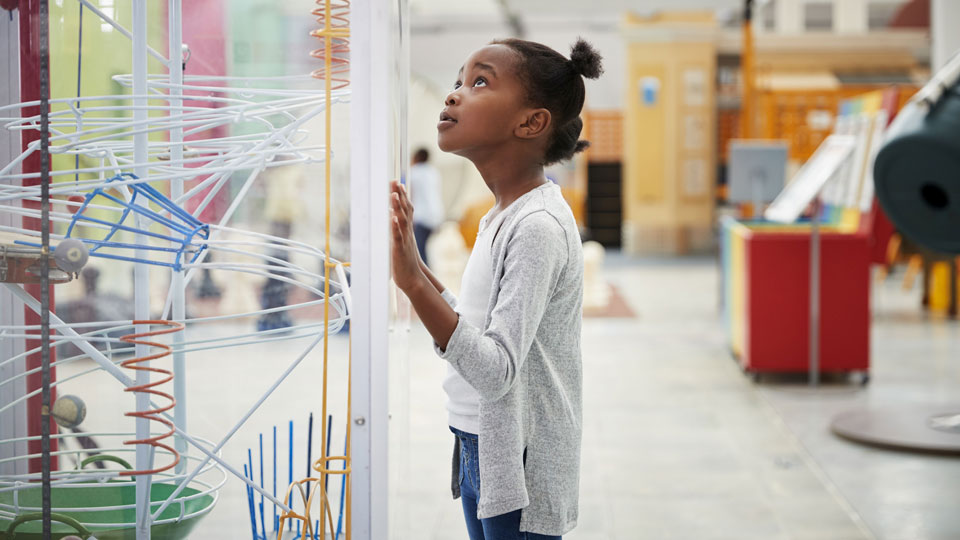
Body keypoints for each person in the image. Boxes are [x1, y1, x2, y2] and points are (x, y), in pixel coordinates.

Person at [390, 37, 602, 539]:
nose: (454, 95)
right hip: (479, 442)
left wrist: (414, 287)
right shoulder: (502, 215)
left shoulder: (537, 227)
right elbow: (477, 325)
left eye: (479, 82)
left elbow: (495, 371)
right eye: (458, 81)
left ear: (530, 123)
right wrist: (414, 268)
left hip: (518, 464)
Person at [408, 147, 445, 266]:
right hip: (436, 214)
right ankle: (428, 273)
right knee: (424, 248)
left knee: (419, 250)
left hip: (421, 216)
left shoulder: (414, 173)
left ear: (416, 158)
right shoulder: (433, 172)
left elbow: (410, 195)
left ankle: (425, 276)